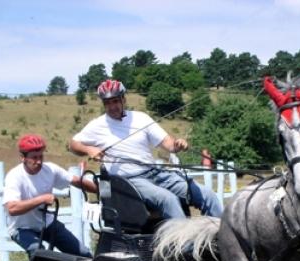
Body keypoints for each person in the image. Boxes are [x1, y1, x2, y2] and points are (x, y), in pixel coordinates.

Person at [69, 79, 223, 219]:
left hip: (157, 173)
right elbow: (73, 144)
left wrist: (177, 145)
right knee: (168, 200)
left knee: (207, 195)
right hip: (130, 181)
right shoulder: (97, 125)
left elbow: (168, 144)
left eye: (115, 101)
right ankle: (184, 248)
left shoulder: (141, 118)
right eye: (107, 103)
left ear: (123, 99)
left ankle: (221, 242)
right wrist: (89, 150)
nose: (112, 106)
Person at [3, 134, 98, 258]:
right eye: (34, 157)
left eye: (41, 156)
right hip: (21, 228)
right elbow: (12, 208)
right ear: (23, 158)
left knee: (83, 253)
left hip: (47, 223)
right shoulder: (14, 177)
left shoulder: (50, 169)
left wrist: (100, 190)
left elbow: (75, 181)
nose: (38, 161)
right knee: (39, 253)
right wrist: (41, 199)